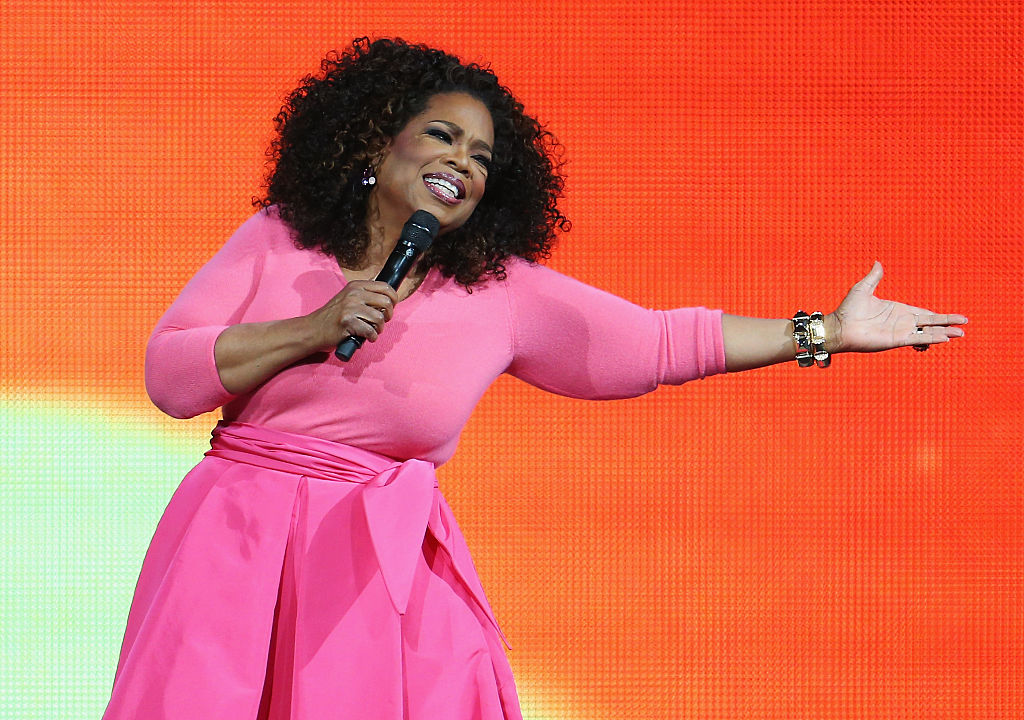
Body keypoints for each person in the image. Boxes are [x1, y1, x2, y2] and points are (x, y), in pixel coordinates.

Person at [102, 37, 967, 720]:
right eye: (444, 135)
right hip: (234, 544)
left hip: (378, 567)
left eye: (482, 157)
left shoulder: (500, 293)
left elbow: (662, 343)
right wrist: (314, 327)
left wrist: (823, 332)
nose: (465, 163)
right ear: (378, 139)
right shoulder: (278, 237)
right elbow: (171, 377)